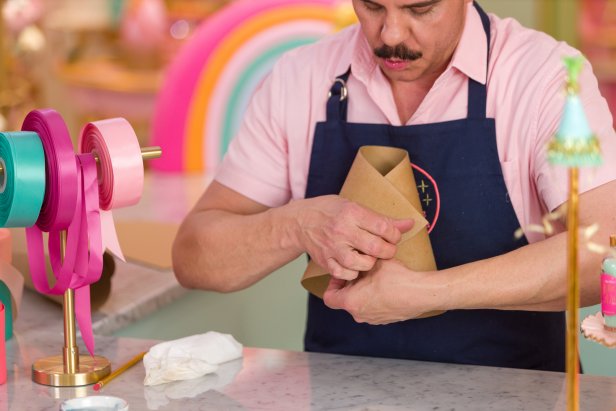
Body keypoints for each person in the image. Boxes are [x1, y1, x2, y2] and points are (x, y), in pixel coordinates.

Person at [172, 0, 616, 371]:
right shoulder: (300, 80)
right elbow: (194, 257)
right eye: (371, 5)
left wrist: (425, 294)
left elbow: (605, 252)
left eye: (419, 8)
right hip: (341, 395)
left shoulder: (545, 78)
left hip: (517, 394)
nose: (390, 34)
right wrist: (295, 225)